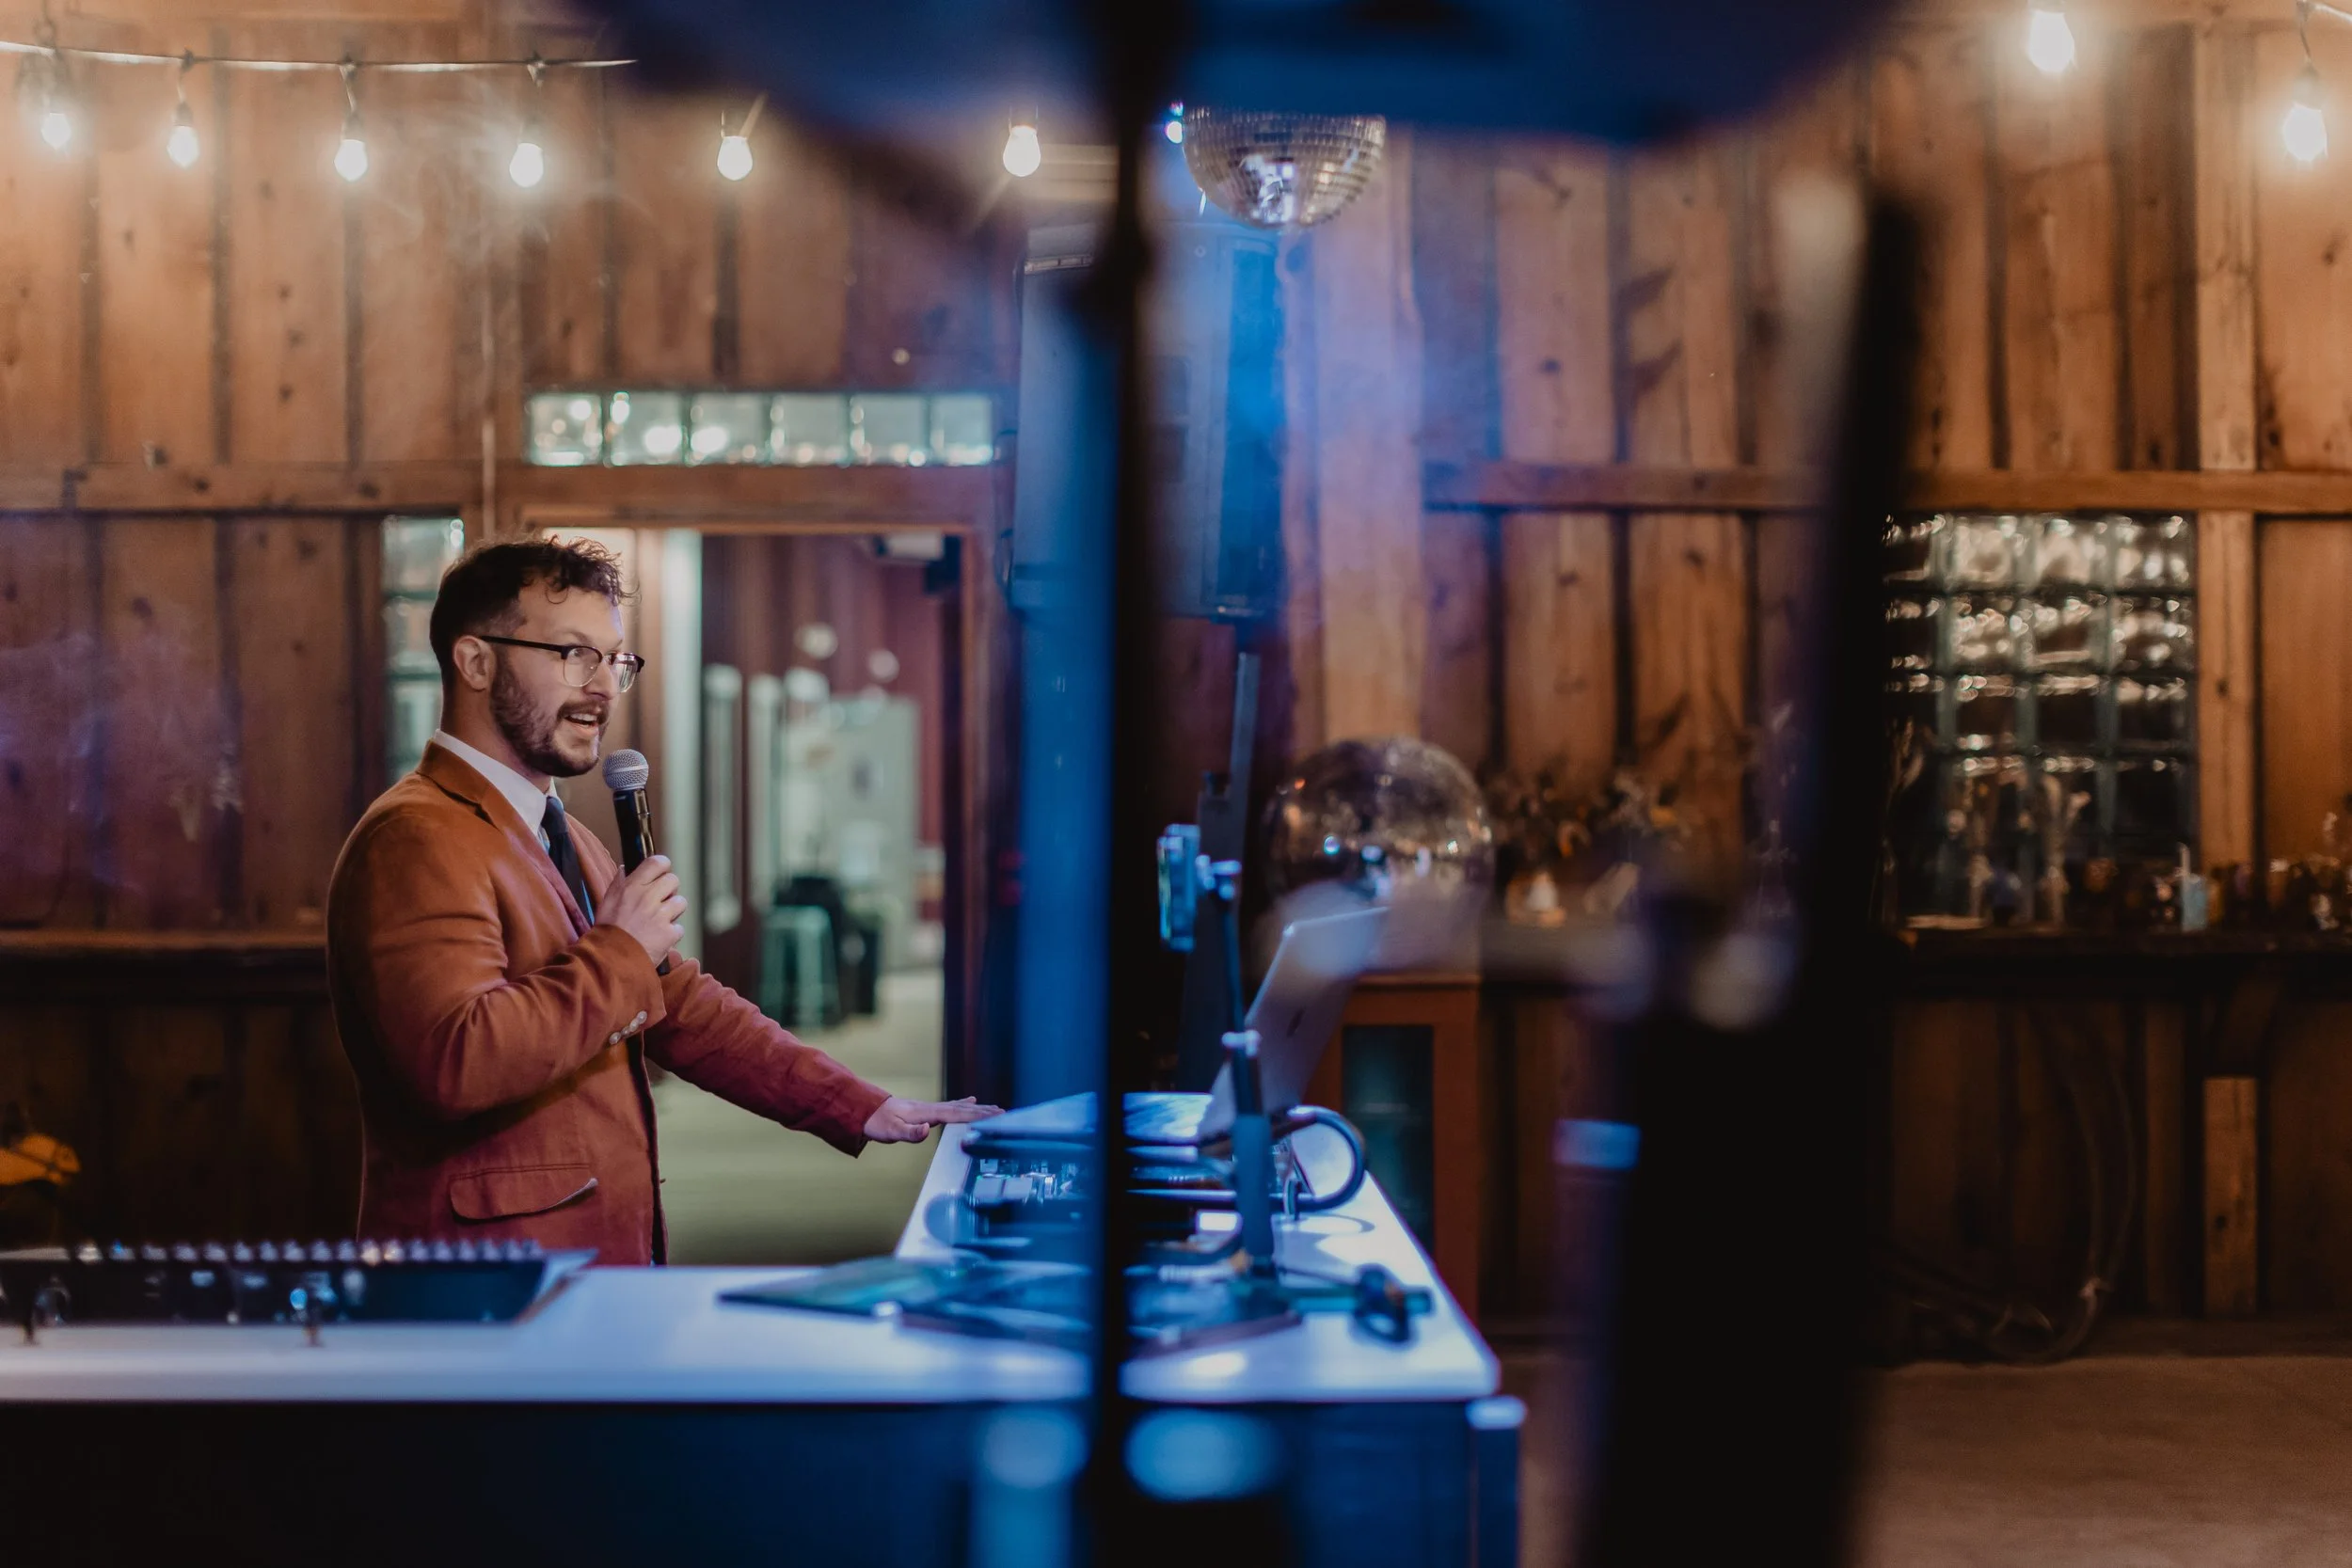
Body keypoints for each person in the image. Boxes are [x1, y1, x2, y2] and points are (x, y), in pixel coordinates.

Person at [326, 538, 996, 1263]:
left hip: (585, 1265)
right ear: (476, 660)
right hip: (489, 1288)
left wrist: (861, 1104)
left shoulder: (562, 832)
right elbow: (455, 1062)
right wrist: (619, 950)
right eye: (572, 654)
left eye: (614, 660)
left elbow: (683, 1007)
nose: (604, 687)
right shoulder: (416, 835)